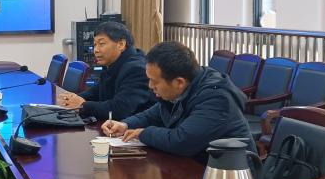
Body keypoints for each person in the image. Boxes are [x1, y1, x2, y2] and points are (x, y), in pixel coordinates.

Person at [101, 41, 255, 159]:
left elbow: (182, 141)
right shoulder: (188, 84)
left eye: (154, 81)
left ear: (179, 82)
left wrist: (143, 133)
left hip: (229, 178)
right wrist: (126, 124)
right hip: (197, 167)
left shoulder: (216, 98)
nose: (150, 86)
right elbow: (155, 113)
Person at [57, 21, 156, 121]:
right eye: (95, 44)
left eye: (101, 44)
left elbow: (120, 109)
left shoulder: (136, 69)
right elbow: (98, 90)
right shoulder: (115, 62)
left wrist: (83, 105)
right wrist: (74, 98)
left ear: (121, 44)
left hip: (135, 128)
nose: (96, 50)